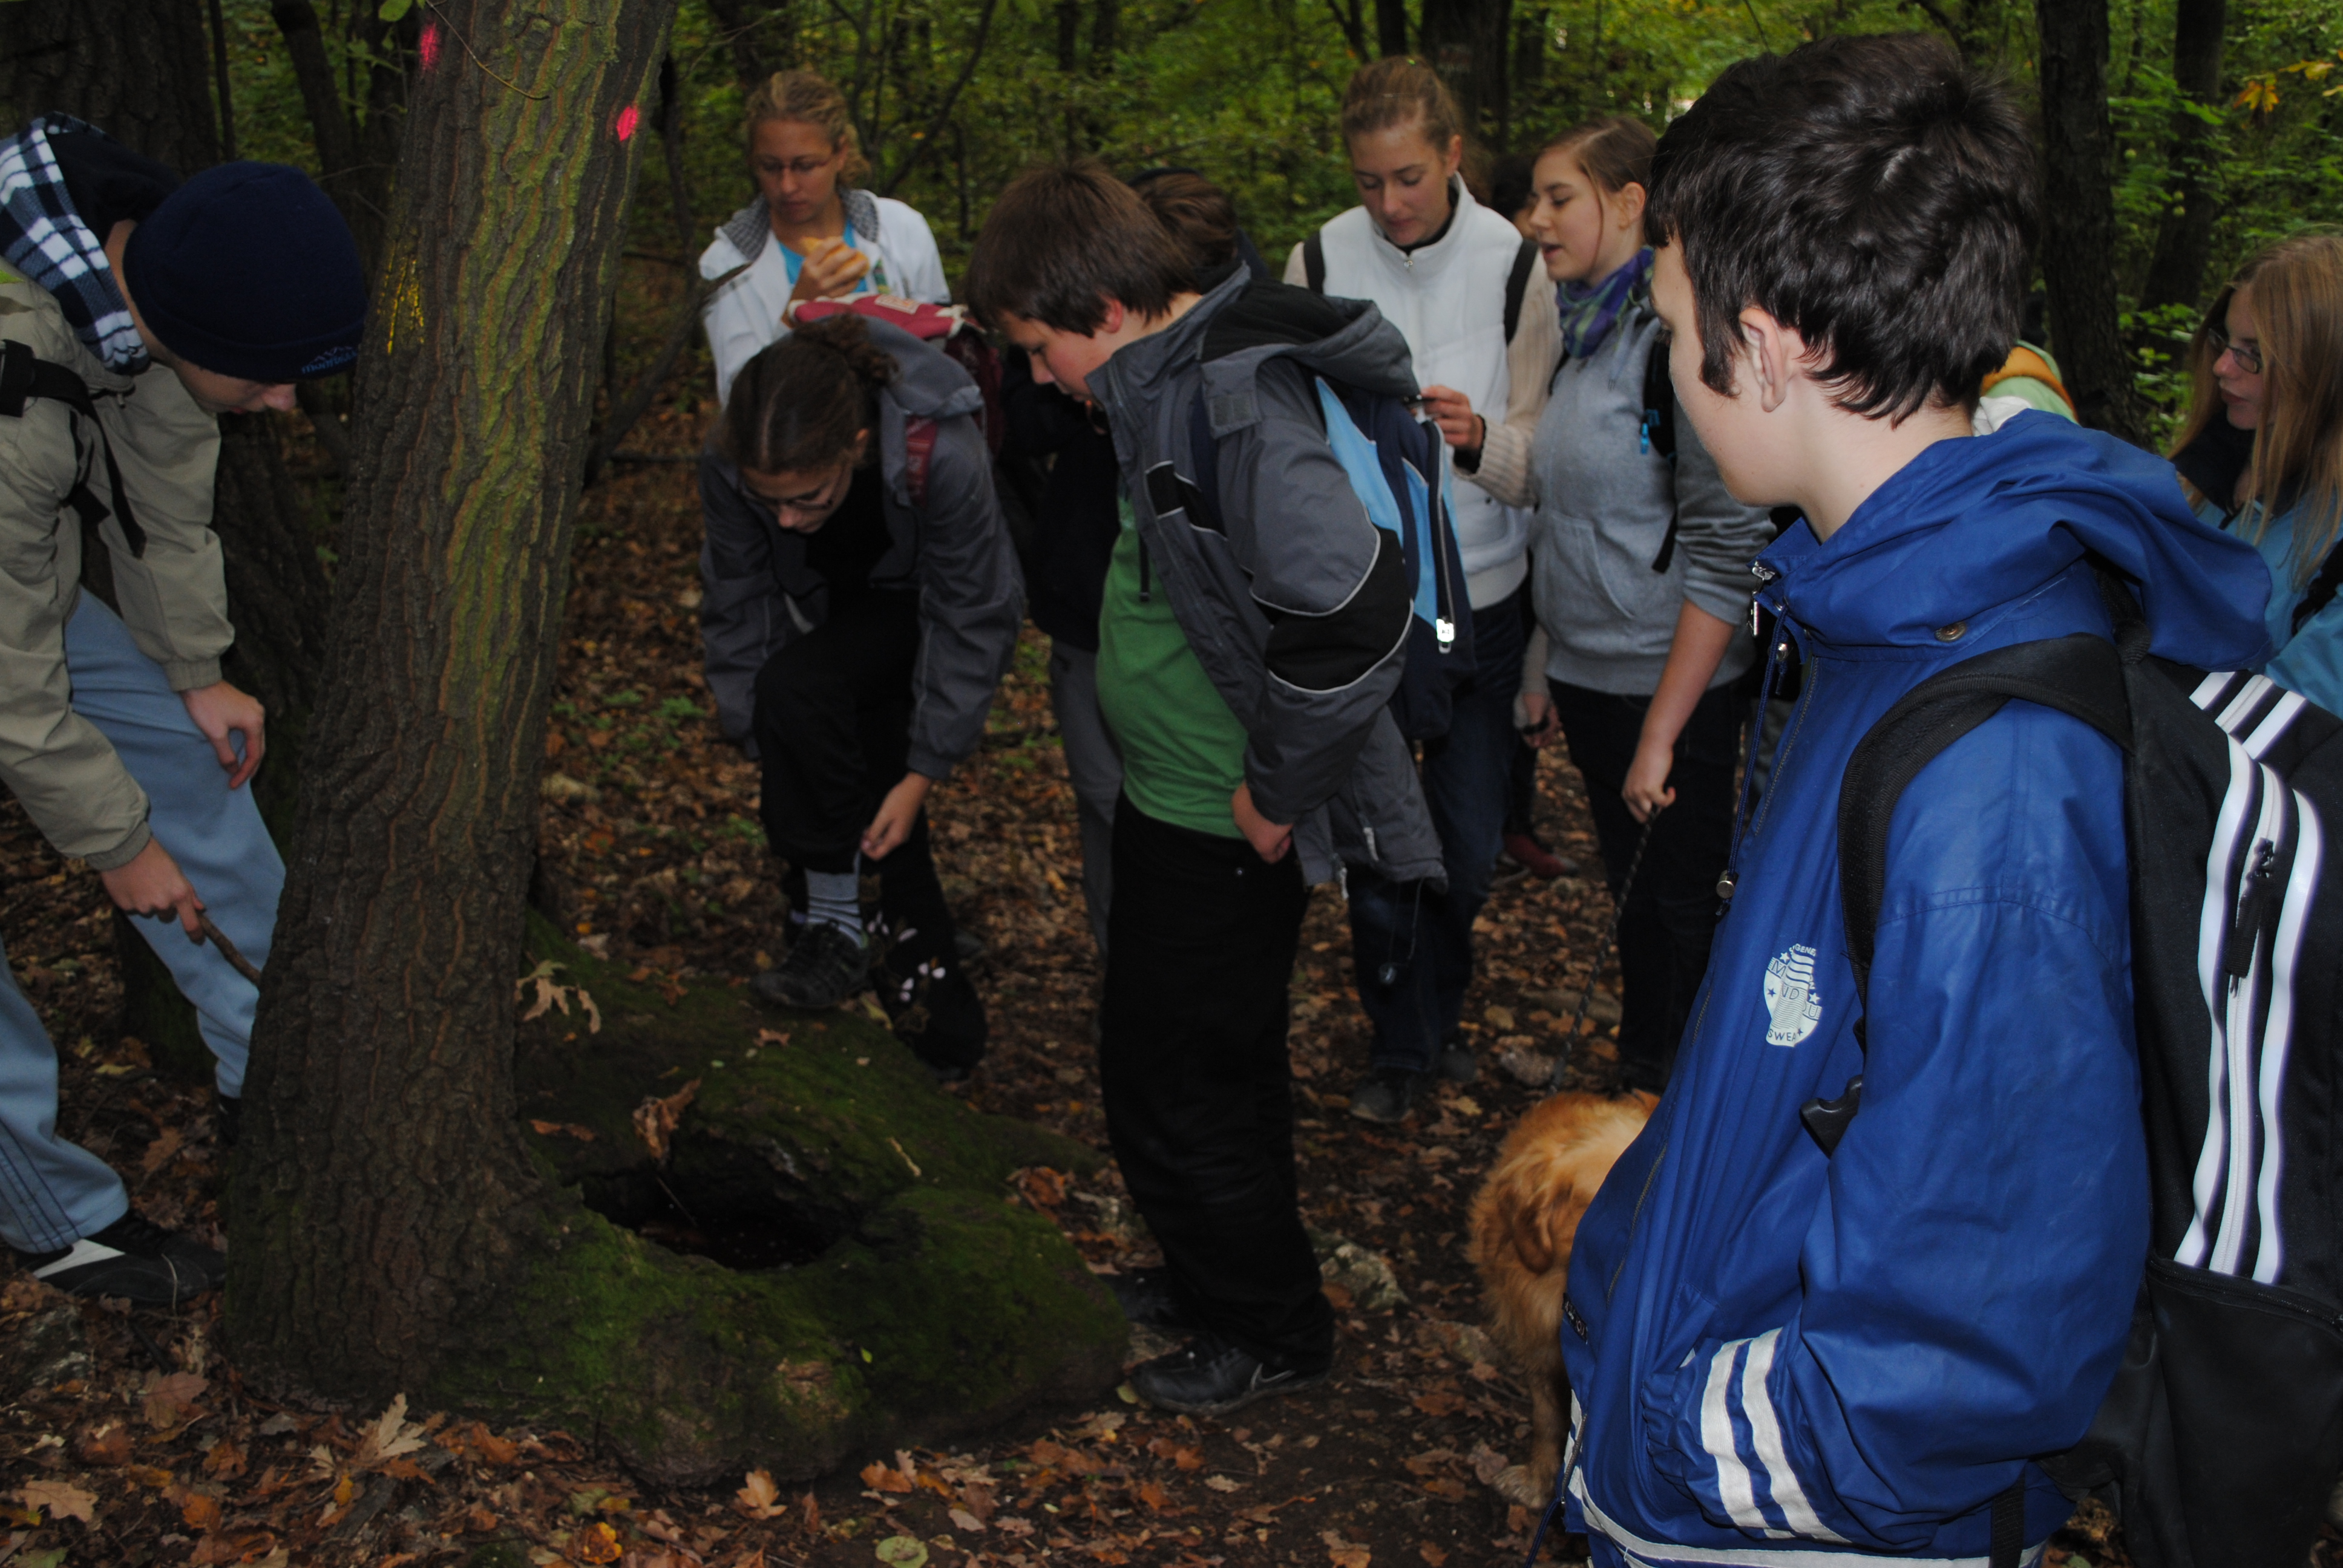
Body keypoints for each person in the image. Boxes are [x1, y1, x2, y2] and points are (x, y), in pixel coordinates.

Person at [1558, 34, 2272, 1561]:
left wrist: (1683, 1438)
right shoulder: (1883, 614)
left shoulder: (1993, 772)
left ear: (1764, 348)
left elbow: (1981, 1315)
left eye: (1673, 334)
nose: (1670, 375)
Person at [967, 160, 1442, 1414]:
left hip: (1222, 823)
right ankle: (1210, 1277)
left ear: (1103, 309)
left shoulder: (1229, 405)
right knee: (1194, 1066)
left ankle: (1272, 1327)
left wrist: (1276, 794)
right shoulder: (1156, 384)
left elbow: (1351, 609)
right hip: (1169, 800)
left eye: (1037, 348)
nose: (1035, 377)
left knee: (1181, 1085)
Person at [0, 117, 364, 1301]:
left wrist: (194, 667)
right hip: (4, 595)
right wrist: (118, 847)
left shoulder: (150, 263)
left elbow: (160, 477)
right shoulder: (14, 391)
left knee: (189, 758)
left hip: (24, 581)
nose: (282, 404)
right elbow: (10, 684)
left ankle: (277, 1068)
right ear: (193, 333)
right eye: (266, 376)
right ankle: (59, 1222)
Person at [1443, 114, 1774, 1095]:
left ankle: (1693, 1102)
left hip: (1673, 683)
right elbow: (1566, 514)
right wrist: (1545, 667)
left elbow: (1727, 549)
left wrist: (1663, 733)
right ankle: (1641, 1078)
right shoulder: (1580, 335)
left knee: (1684, 901)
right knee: (1636, 901)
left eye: (1559, 198)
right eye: (1532, 199)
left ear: (1630, 204)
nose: (1533, 219)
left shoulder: (1679, 345)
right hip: (1591, 678)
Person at [1284, 59, 1565, 1120]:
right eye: (1368, 182)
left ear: (1451, 156)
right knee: (1379, 838)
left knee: (1469, 845)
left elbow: (1542, 450)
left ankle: (1435, 1006)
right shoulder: (1320, 260)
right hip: (1371, 601)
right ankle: (1400, 1042)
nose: (1390, 204)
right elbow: (1292, 432)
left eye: (1408, 177)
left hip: (1485, 597)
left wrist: (1480, 439)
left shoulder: (1514, 264)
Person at [699, 312, 1021, 1079]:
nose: (786, 520)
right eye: (768, 502)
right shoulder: (729, 460)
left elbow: (972, 613)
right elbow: (737, 597)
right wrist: (768, 744)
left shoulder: (939, 453)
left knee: (812, 702)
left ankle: (846, 928)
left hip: (924, 600)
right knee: (830, 744)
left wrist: (924, 773)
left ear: (856, 445)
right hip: (833, 606)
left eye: (807, 498)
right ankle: (920, 1012)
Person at [1001, 168, 1266, 959]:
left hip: (1205, 691)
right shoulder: (1072, 343)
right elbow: (1020, 422)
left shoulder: (1241, 376)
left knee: (1202, 865)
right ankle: (1128, 976)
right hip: (1094, 606)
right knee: (1107, 807)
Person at [698, 70, 949, 408]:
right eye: (770, 167)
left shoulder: (900, 229)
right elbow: (738, 399)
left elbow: (943, 351)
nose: (787, 186)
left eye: (805, 166)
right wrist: (796, 314)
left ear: (840, 154)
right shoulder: (727, 264)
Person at [2170, 232, 2343, 715]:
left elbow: (2296, 725)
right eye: (2225, 341)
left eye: (2254, 352)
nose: (2223, 367)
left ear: (2324, 371)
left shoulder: (2329, 536)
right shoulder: (2200, 471)